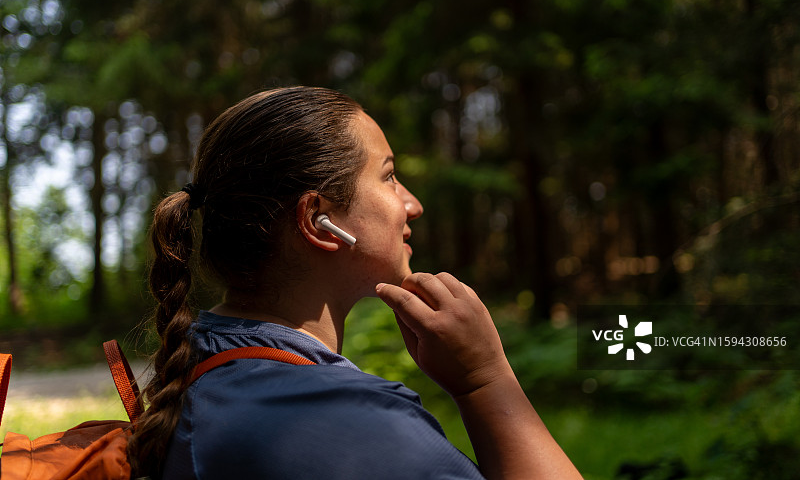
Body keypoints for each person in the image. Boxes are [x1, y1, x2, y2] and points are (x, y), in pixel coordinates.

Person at [127, 86, 581, 480]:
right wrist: (485, 382)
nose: (413, 204)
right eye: (388, 176)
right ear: (319, 221)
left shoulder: (203, 375)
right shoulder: (350, 424)